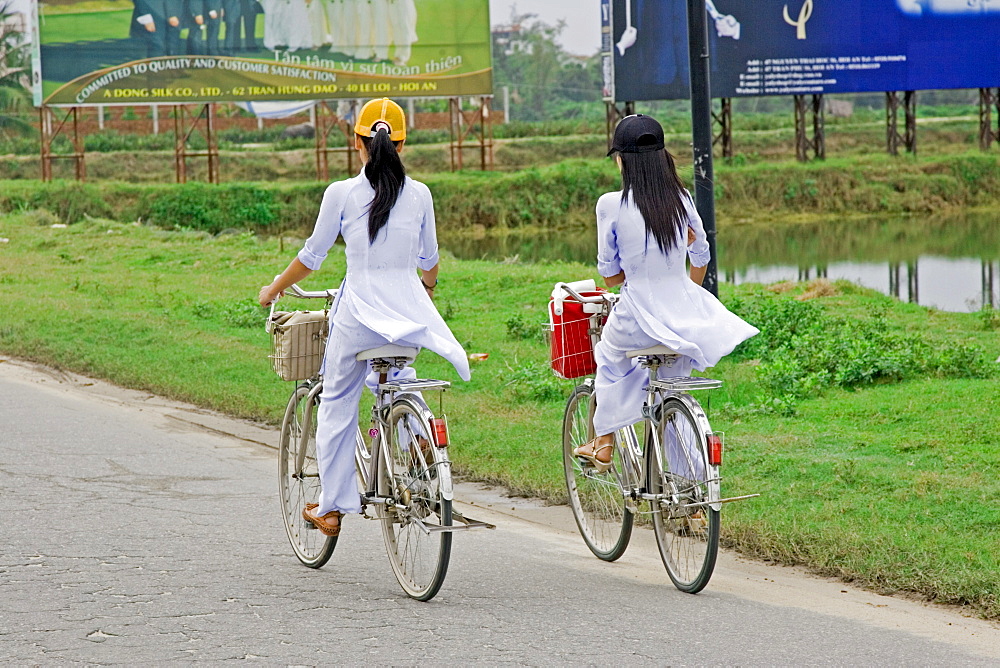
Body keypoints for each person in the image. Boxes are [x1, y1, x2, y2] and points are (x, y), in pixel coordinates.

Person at [258, 98, 471, 537]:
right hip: (408, 317)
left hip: (357, 318)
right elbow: (430, 260)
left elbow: (311, 258)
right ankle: (415, 437)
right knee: (398, 373)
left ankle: (332, 506)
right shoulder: (421, 194)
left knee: (336, 403)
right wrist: (424, 291)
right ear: (402, 144)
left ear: (358, 143)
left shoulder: (342, 193)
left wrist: (274, 288)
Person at [573, 114, 758, 472]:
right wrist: (683, 291)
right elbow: (700, 253)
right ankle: (694, 502)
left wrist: (637, 267)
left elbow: (609, 277)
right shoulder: (682, 197)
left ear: (621, 160)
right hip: (686, 317)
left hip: (637, 314)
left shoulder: (610, 204)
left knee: (609, 357)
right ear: (663, 157)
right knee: (673, 393)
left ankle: (604, 441)